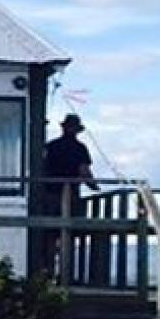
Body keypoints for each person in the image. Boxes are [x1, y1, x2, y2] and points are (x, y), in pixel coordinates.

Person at [42, 114, 99, 279]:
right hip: (70, 195)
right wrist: (94, 186)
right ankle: (65, 274)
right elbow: (84, 172)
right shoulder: (80, 148)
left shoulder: (51, 146)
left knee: (50, 234)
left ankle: (50, 272)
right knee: (68, 233)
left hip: (50, 194)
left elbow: (42, 167)